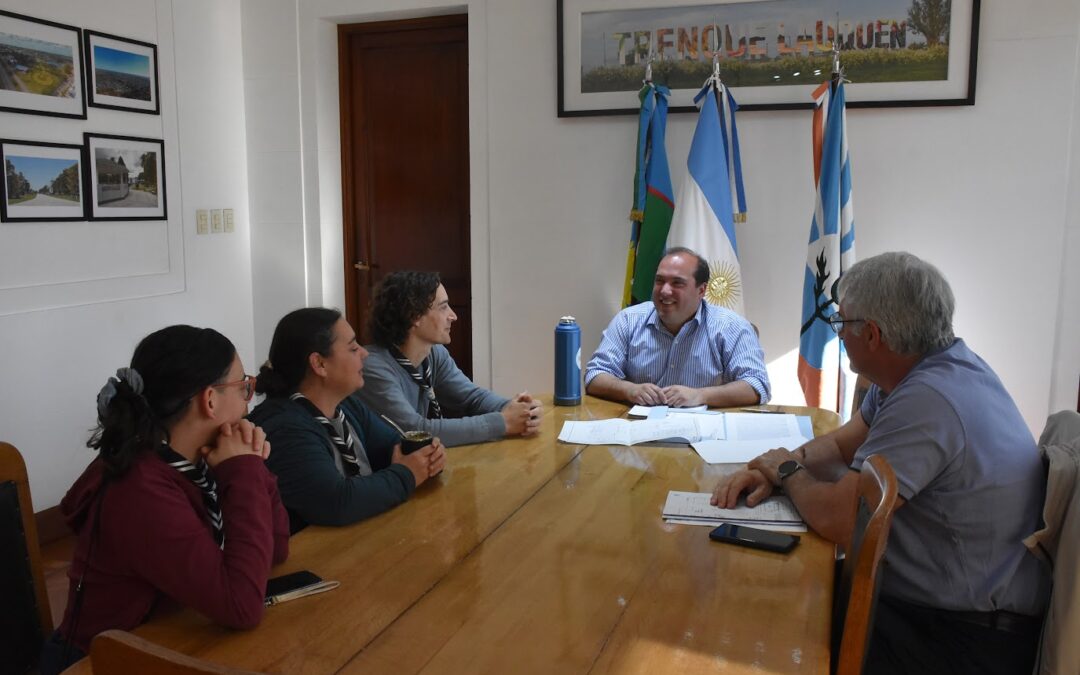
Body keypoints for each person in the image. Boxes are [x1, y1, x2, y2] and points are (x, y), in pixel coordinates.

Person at [711, 252, 1049, 675]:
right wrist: (774, 467)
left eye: (841, 323)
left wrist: (786, 473)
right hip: (931, 610)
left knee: (764, 629)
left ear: (871, 334)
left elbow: (844, 520)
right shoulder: (925, 369)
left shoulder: (930, 399)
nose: (838, 334)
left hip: (962, 638)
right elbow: (840, 446)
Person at [41, 326, 289, 674]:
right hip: (97, 663)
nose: (249, 399)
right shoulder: (140, 490)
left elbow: (275, 549)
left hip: (164, 639)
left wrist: (250, 468)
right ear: (210, 400)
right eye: (243, 387)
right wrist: (244, 471)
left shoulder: (196, 461)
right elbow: (242, 606)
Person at [250, 308, 445, 533]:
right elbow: (336, 502)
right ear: (319, 364)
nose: (365, 353)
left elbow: (394, 448)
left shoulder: (345, 405)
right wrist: (408, 474)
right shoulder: (284, 427)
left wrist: (427, 457)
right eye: (353, 348)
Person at [356, 271, 543, 447]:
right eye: (443, 307)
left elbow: (471, 397)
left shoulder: (434, 353)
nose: (453, 316)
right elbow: (416, 430)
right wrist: (502, 422)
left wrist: (518, 410)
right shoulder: (373, 366)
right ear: (413, 316)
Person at [584, 247, 769, 407]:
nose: (664, 291)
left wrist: (700, 395)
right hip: (638, 432)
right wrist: (629, 390)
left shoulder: (731, 327)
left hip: (706, 434)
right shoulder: (628, 320)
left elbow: (757, 385)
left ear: (701, 290)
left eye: (677, 283)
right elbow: (595, 375)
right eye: (659, 281)